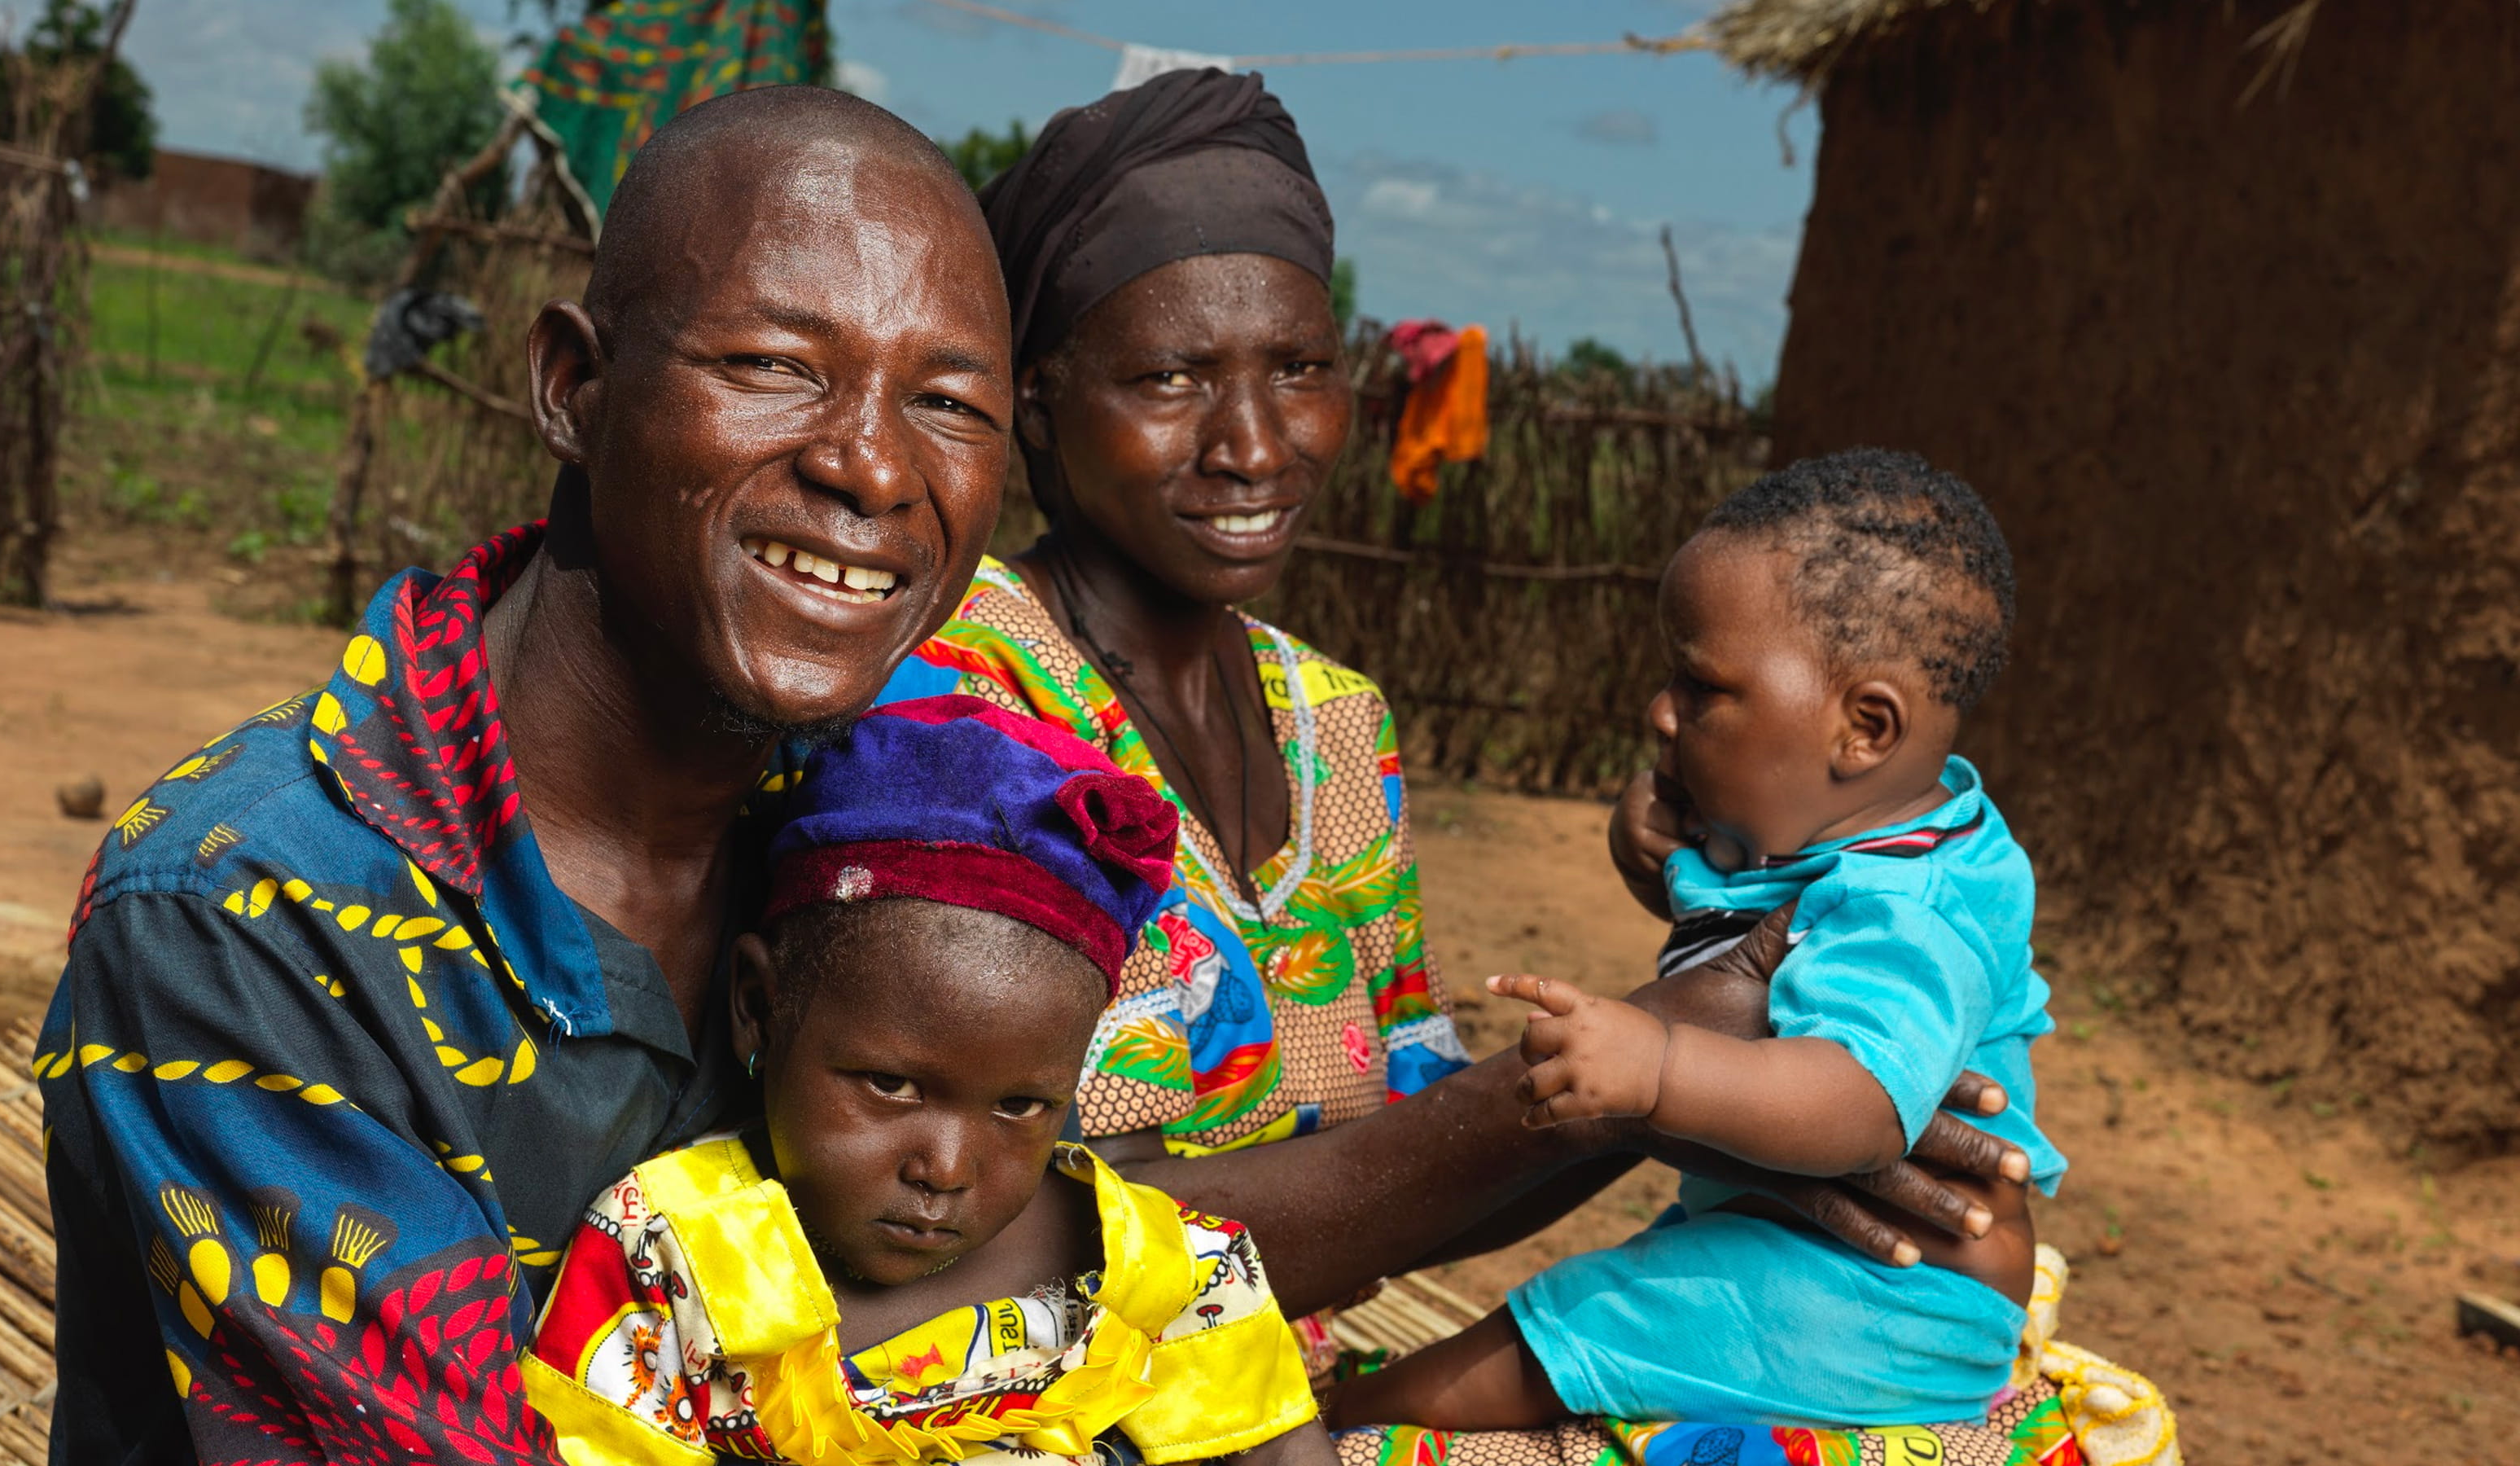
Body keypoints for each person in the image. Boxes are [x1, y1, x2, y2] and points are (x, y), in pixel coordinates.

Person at [882, 65, 2037, 1362]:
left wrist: (1763, 1092)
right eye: (1169, 379)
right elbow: (1050, 1240)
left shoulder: (1335, 724)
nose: (1256, 444)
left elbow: (1421, 1160)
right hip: (1048, 1394)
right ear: (1037, 401)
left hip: (1297, 1380)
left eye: (1303, 368)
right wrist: (1693, 1062)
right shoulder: (956, 696)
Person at [34, 88, 1015, 1464]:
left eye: (952, 403)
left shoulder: (886, 847)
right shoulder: (248, 912)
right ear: (573, 386)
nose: (872, 463)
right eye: (776, 366)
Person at [1333, 451, 2062, 1429]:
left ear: (1863, 728)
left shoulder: (1917, 907)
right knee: (1580, 1318)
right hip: (1811, 1266)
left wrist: (1660, 1069)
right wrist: (1642, 828)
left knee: (1556, 1336)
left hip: (1871, 1293)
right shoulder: (1840, 824)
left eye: (1701, 686)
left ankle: (1335, 1426)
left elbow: (1860, 1106)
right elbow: (1723, 923)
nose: (1659, 711)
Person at [527, 696, 1331, 1466]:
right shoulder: (670, 1259)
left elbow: (1278, 1446)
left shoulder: (1165, 1271)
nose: (943, 1169)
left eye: (1020, 1104)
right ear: (757, 1007)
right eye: (890, 1085)